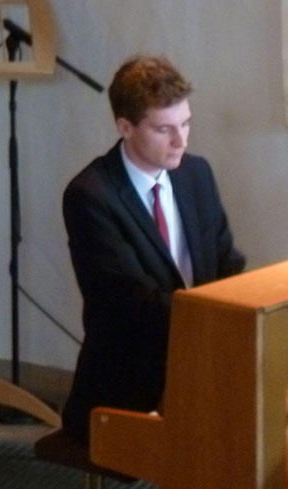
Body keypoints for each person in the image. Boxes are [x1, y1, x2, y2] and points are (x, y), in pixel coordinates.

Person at [61, 55, 246, 441]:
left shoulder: (196, 174)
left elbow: (227, 264)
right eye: (165, 129)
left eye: (186, 123)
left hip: (201, 362)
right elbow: (130, 304)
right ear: (125, 127)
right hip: (131, 380)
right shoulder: (91, 195)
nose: (182, 140)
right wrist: (214, 326)